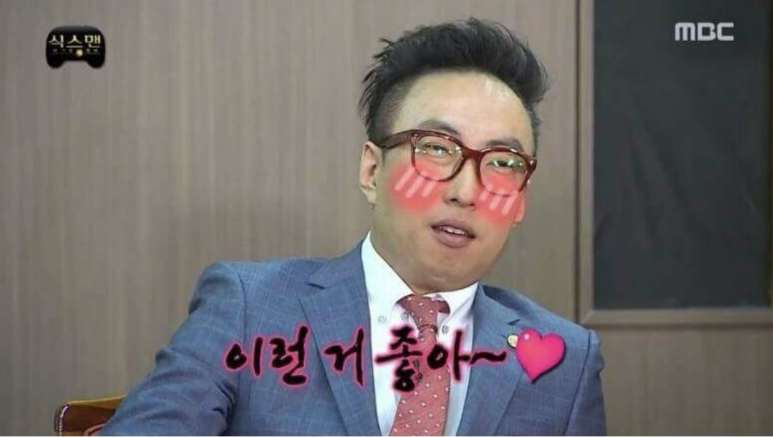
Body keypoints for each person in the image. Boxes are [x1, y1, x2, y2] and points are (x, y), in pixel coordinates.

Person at [102, 17, 606, 436]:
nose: (466, 190)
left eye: (502, 163)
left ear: (520, 201)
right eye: (436, 149)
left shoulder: (566, 361)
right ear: (371, 171)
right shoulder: (251, 309)